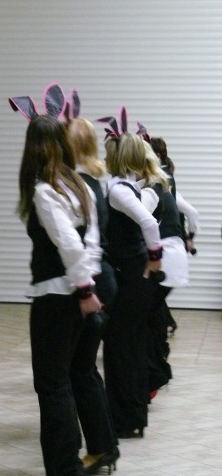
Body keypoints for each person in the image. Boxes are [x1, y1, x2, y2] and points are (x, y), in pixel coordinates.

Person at [16, 113, 102, 476]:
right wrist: (87, 284)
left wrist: (83, 288)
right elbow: (91, 242)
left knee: (51, 386)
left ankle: (63, 475)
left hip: (55, 298)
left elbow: (69, 243)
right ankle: (66, 470)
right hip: (73, 294)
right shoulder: (78, 185)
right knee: (62, 382)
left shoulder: (45, 190)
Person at [99, 118, 163, 439]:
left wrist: (154, 258)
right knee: (132, 345)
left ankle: (124, 418)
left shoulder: (117, 190)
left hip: (131, 277)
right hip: (136, 276)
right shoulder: (130, 188)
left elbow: (149, 224)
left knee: (120, 346)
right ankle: (133, 415)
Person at [68, 111, 119, 475]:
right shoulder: (95, 181)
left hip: (94, 280)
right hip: (102, 277)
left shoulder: (79, 184)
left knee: (80, 370)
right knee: (83, 369)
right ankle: (104, 445)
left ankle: (102, 448)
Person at [140, 140, 187, 395]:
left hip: (165, 257)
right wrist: (190, 237)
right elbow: (190, 212)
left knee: (145, 317)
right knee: (154, 314)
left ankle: (155, 375)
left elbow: (145, 224)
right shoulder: (163, 182)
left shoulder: (150, 189)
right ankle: (156, 370)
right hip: (174, 256)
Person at [150, 136, 199, 334]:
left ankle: (163, 332)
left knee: (150, 301)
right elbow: (190, 213)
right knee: (153, 300)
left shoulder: (158, 180)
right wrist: (190, 236)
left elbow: (190, 212)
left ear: (157, 155)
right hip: (172, 247)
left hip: (166, 248)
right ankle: (166, 326)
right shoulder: (166, 178)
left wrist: (189, 237)